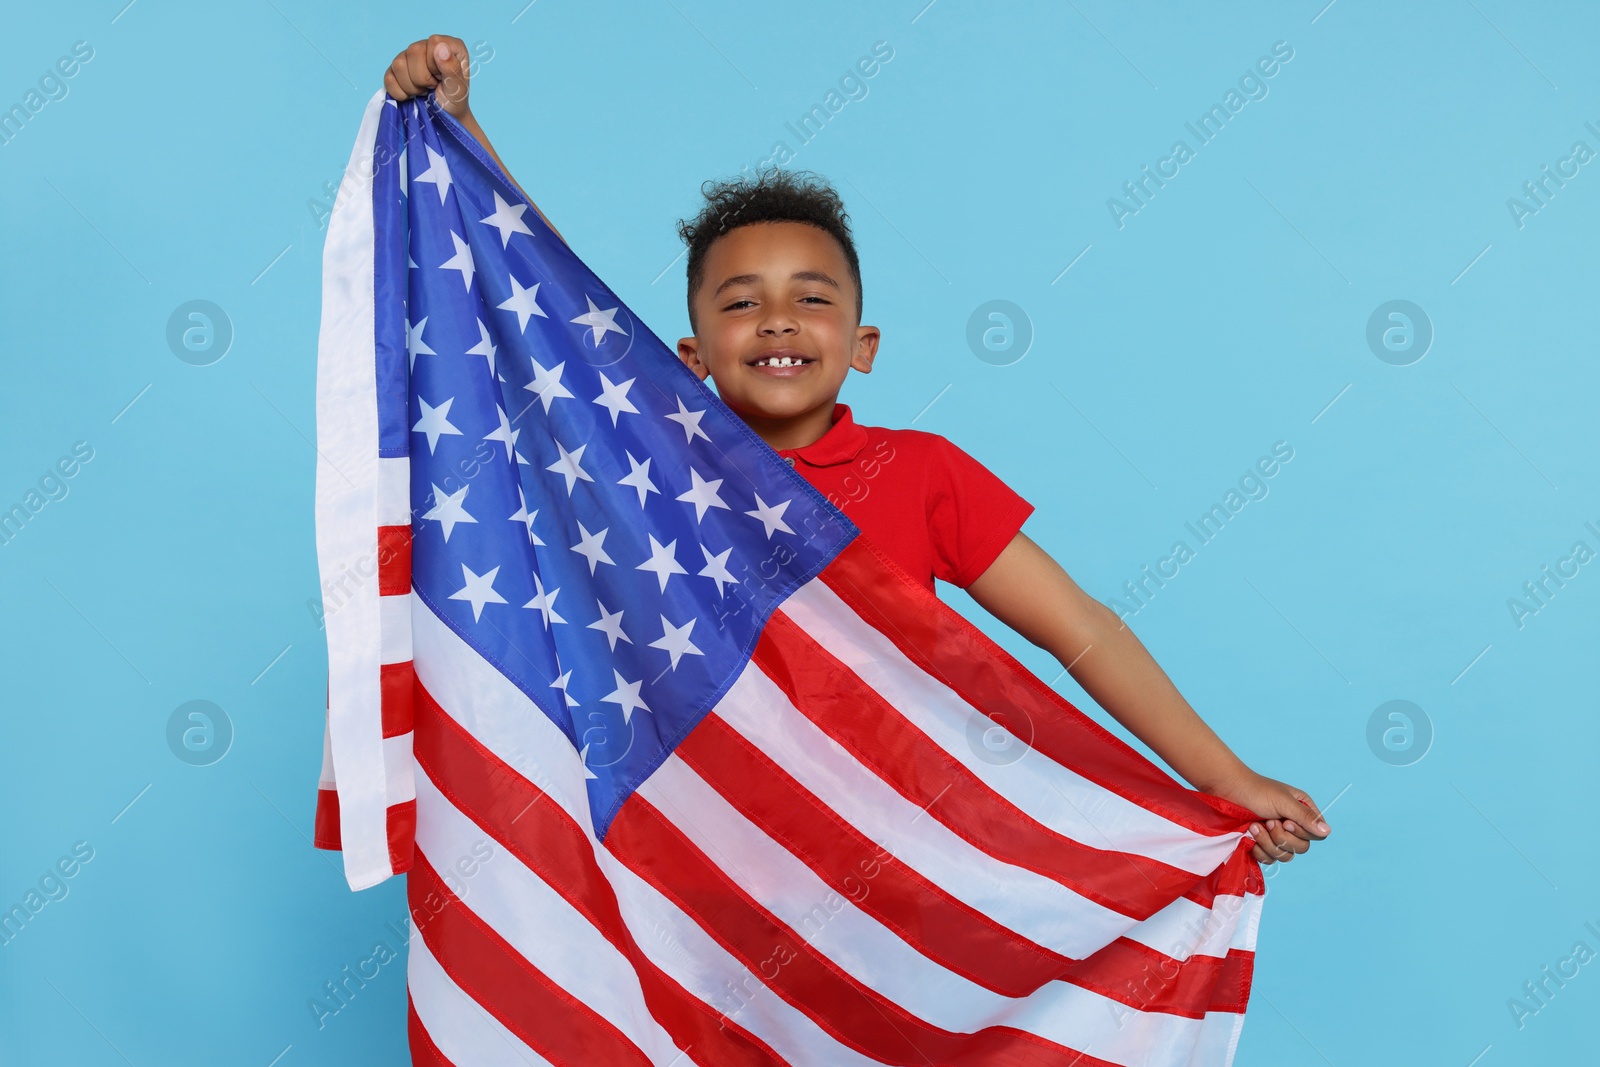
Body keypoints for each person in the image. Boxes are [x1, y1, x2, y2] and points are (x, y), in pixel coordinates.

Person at [382, 35, 1330, 866]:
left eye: (813, 298)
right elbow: (540, 306)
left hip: (893, 866)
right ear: (690, 359)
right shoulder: (663, 459)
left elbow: (1080, 629)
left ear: (863, 347)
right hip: (701, 853)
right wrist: (461, 132)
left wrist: (1226, 777)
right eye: (741, 301)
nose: (779, 320)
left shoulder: (923, 474)